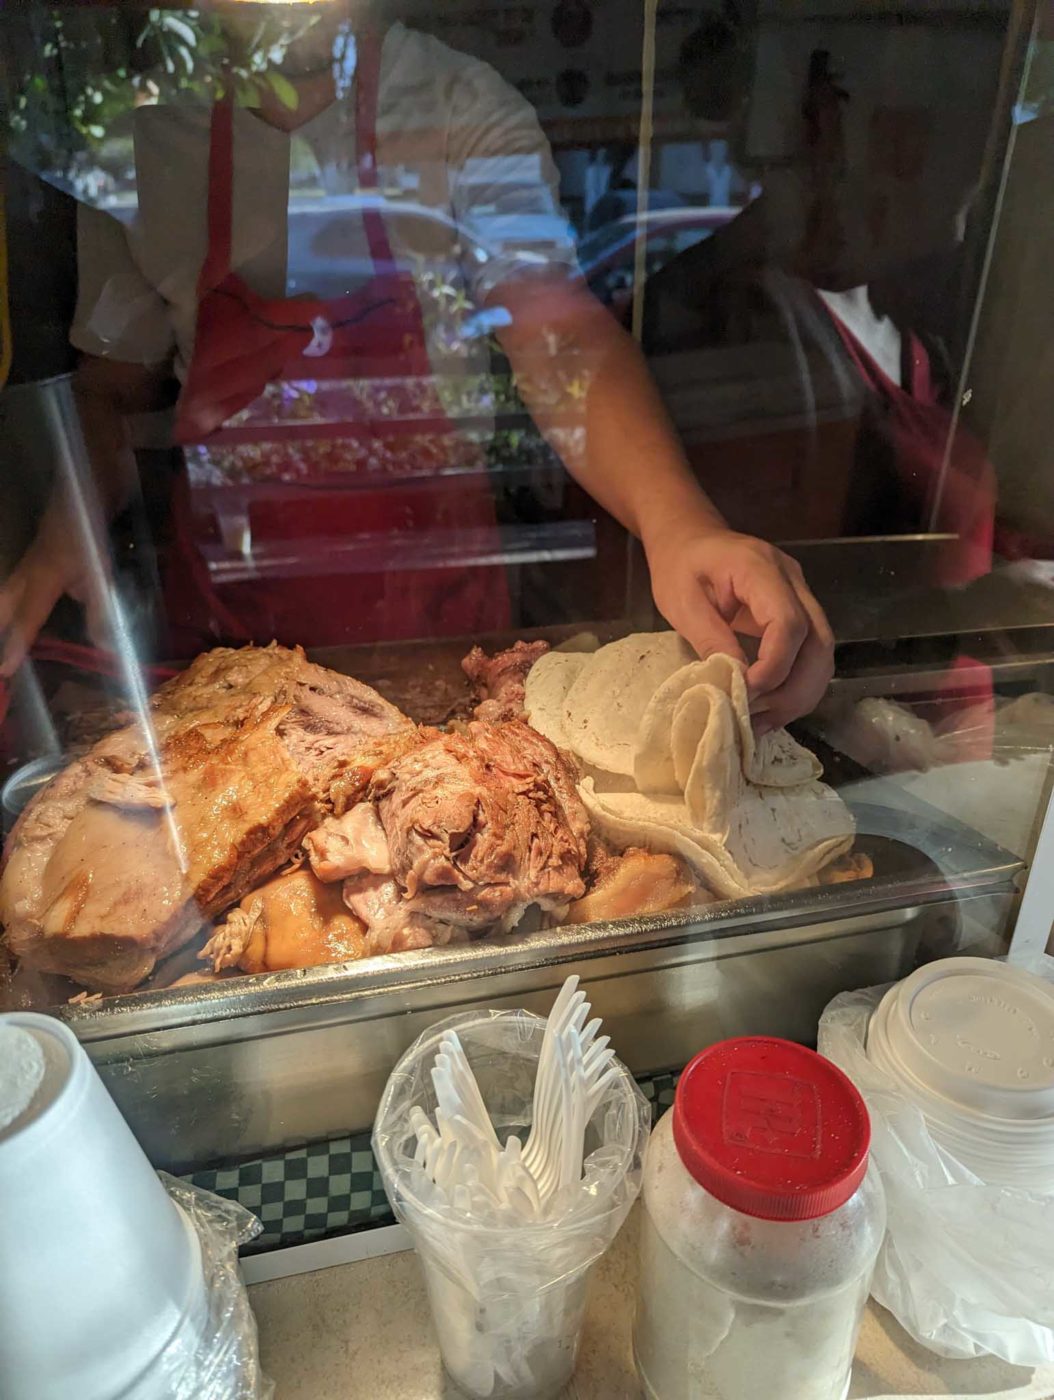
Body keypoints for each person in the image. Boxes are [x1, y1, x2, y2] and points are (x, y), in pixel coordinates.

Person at [0, 4, 834, 735]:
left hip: (437, 622)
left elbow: (560, 342)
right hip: (226, 641)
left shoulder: (459, 107)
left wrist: (679, 524)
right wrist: (59, 529)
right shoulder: (142, 140)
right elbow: (112, 388)